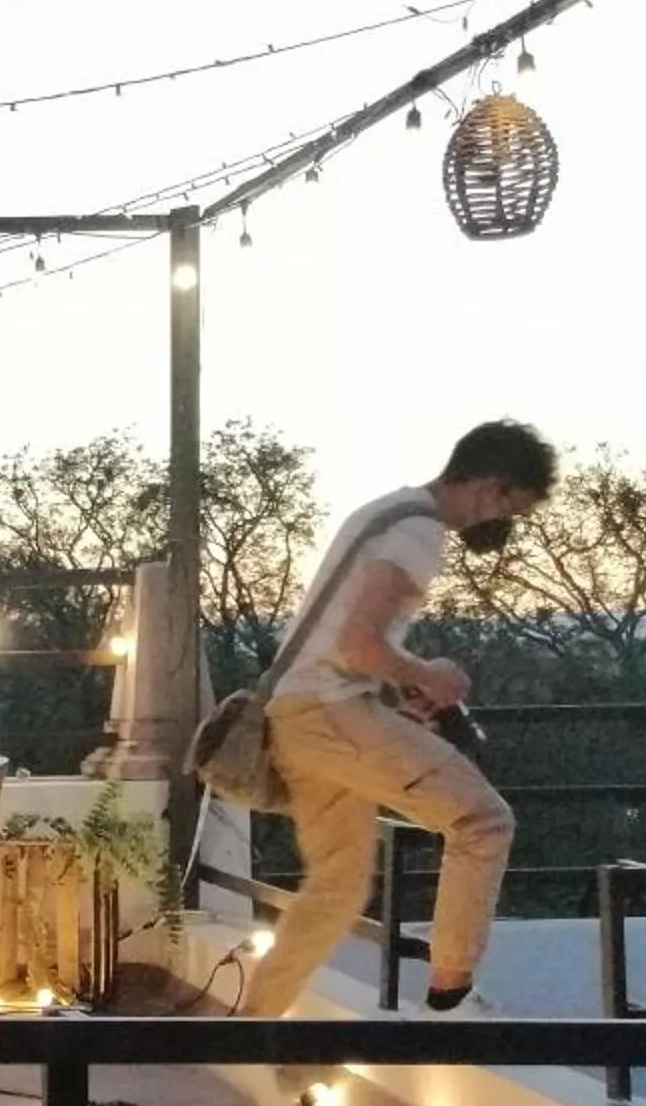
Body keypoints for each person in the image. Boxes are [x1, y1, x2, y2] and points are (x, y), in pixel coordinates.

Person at [238, 420, 556, 1030]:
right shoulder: (419, 530)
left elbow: (345, 640)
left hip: (298, 712)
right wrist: (427, 673)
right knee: (482, 821)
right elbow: (359, 644)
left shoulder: (386, 512)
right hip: (331, 712)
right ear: (492, 486)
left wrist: (399, 687)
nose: (506, 523)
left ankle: (251, 1034)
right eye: (513, 507)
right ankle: (450, 998)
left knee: (337, 886)